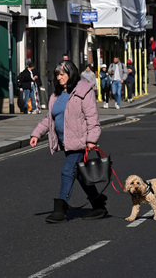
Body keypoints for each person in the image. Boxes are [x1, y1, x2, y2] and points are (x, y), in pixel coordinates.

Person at [29, 61, 107, 223]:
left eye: (63, 74)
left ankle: (61, 208)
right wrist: (36, 134)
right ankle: (98, 204)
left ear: (71, 74)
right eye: (57, 74)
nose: (59, 77)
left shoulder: (83, 91)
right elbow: (49, 119)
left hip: (80, 142)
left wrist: (92, 139)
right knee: (79, 174)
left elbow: (92, 118)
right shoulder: (56, 95)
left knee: (67, 171)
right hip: (66, 142)